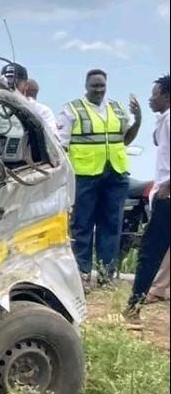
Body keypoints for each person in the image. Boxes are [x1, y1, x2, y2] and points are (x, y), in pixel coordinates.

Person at [58, 69, 142, 287]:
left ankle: (106, 275)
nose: (98, 90)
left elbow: (125, 141)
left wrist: (138, 120)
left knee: (111, 226)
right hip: (85, 175)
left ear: (106, 86)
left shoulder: (117, 108)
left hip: (115, 174)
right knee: (82, 225)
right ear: (86, 86)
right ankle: (82, 275)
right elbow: (61, 145)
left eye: (102, 85)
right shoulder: (72, 110)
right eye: (94, 85)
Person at [124, 74, 170, 318]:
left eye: (154, 94)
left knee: (150, 252)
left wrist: (167, 186)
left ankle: (133, 308)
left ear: (165, 95)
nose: (150, 99)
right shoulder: (165, 119)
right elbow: (156, 141)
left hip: (168, 197)